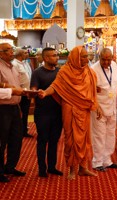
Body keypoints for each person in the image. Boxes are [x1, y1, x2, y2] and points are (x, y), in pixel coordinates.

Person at [38, 46, 102, 180]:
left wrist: (98, 107)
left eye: (87, 56)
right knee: (71, 139)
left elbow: (92, 92)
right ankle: (73, 169)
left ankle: (83, 168)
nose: (86, 59)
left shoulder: (89, 73)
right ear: (75, 58)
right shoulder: (64, 72)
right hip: (70, 108)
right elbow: (55, 86)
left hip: (84, 109)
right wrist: (45, 92)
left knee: (84, 139)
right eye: (83, 56)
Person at [30, 47, 63, 177]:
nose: (56, 57)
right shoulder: (37, 73)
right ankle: (42, 168)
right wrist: (34, 92)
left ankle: (52, 167)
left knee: (54, 141)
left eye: (56, 55)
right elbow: (34, 88)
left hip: (58, 112)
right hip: (42, 112)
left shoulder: (60, 72)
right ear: (46, 58)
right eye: (54, 55)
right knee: (43, 140)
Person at [0, 43, 26, 183]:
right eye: (8, 51)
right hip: (2, 109)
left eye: (12, 50)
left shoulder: (14, 67)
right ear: (1, 53)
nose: (12, 53)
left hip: (15, 107)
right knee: (2, 141)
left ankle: (10, 166)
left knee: (16, 139)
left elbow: (18, 87)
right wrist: (6, 87)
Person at [91, 48, 117, 172]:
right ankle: (97, 162)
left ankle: (107, 160)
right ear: (99, 57)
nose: (106, 62)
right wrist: (96, 106)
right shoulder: (93, 70)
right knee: (99, 135)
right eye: (104, 59)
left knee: (111, 134)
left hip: (112, 106)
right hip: (99, 108)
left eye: (109, 59)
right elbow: (91, 91)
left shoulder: (114, 66)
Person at [12, 47, 33, 138]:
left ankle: (24, 130)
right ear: (20, 54)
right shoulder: (14, 64)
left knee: (25, 112)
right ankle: (20, 131)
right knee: (21, 113)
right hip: (20, 92)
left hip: (27, 92)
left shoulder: (25, 63)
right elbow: (15, 79)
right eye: (25, 53)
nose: (27, 54)